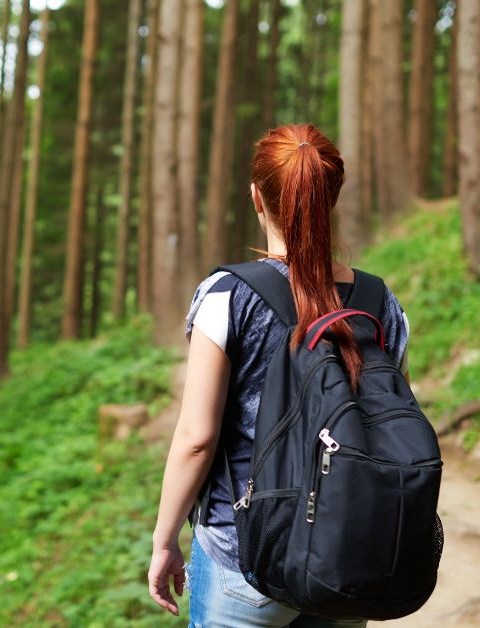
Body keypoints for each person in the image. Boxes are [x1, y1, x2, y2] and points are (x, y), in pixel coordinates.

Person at [146, 124, 411, 627]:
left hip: (243, 558)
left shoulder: (229, 295)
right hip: (345, 557)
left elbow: (197, 438)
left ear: (256, 198)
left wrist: (165, 540)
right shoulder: (382, 304)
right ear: (331, 197)